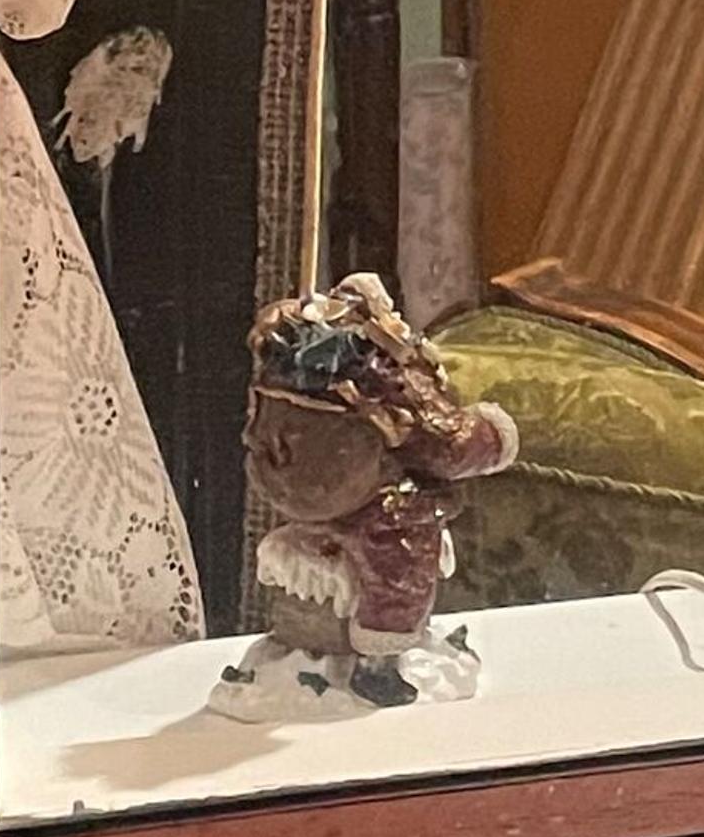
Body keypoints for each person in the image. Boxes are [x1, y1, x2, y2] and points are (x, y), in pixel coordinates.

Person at [218, 273, 521, 710]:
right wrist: (495, 438)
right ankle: (379, 661)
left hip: (279, 476)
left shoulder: (282, 356)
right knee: (402, 541)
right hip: (345, 496)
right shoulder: (383, 376)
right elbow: (446, 443)